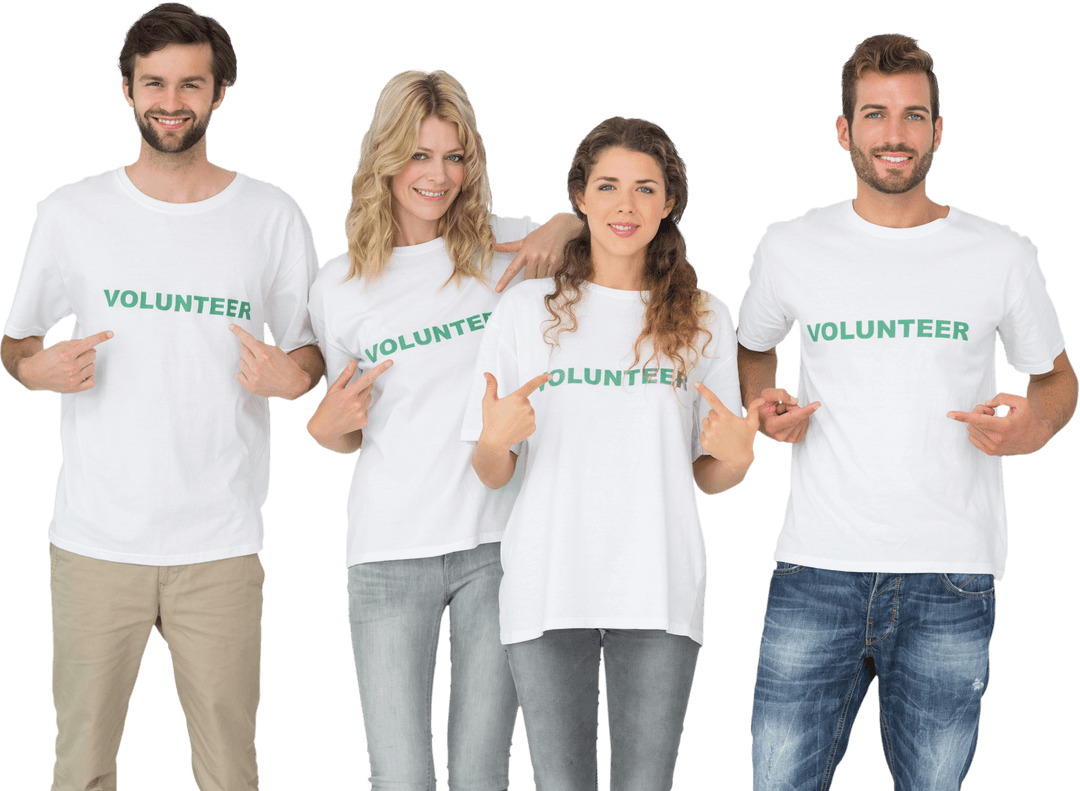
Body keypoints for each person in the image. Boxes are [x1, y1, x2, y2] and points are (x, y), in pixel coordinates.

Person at [737, 33, 1078, 790]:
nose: (895, 134)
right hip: (815, 568)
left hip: (950, 573)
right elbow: (752, 349)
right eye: (875, 114)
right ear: (844, 129)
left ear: (938, 129)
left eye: (913, 115)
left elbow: (1056, 379)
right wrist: (767, 406)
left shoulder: (1001, 252)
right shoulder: (791, 245)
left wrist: (1035, 424)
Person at [0, 4, 324, 790]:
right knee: (78, 768)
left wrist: (295, 376)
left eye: (190, 84)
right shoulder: (72, 210)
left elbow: (315, 348)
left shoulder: (271, 214)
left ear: (220, 93)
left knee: (228, 772)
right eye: (154, 83)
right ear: (126, 90)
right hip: (93, 541)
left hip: (219, 543)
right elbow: (16, 342)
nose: (170, 101)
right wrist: (33, 371)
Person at [464, 116, 762, 791]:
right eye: (607, 186)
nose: (625, 206)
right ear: (580, 198)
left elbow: (709, 475)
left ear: (669, 203)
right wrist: (492, 439)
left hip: (659, 585)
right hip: (547, 584)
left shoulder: (706, 316)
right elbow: (492, 470)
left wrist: (738, 460)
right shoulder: (523, 311)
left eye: (644, 188)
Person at [305, 69, 580, 791]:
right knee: (399, 776)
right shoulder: (339, 285)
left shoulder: (505, 247)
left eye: (454, 157)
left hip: (496, 546)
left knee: (481, 772)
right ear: (385, 158)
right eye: (419, 156)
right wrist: (324, 429)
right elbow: (349, 428)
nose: (438, 176)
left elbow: (599, 233)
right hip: (388, 551)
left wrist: (564, 222)